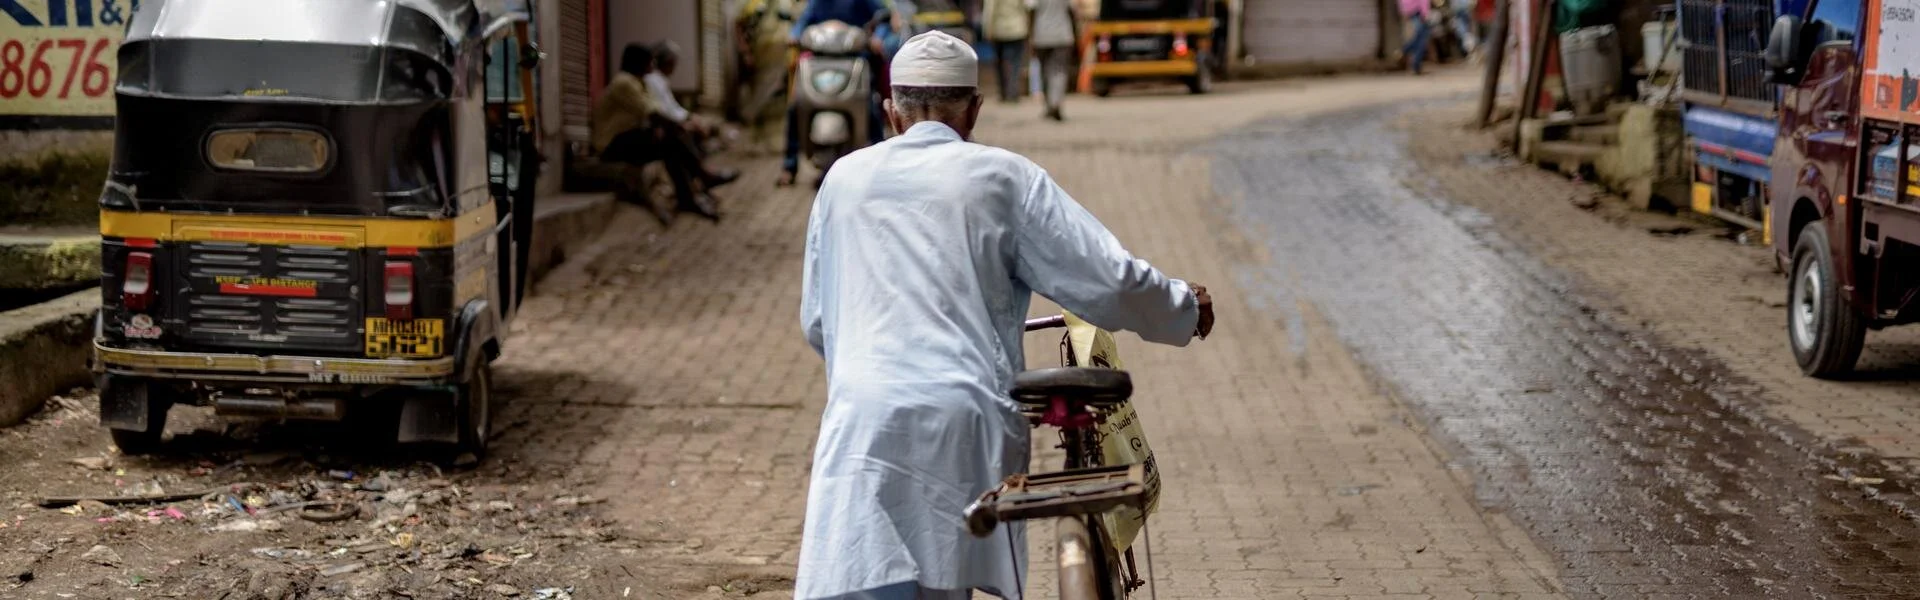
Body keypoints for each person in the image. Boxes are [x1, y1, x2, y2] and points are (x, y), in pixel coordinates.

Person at [796, 31, 1215, 600]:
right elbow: (1108, 280)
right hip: (963, 420)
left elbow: (819, 323)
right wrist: (1183, 308)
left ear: (890, 111)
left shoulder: (840, 181)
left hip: (864, 419)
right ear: (973, 111)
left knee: (866, 572)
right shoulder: (1004, 177)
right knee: (945, 578)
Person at [591, 44, 738, 222]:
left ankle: (691, 193)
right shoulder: (624, 83)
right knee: (673, 137)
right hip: (610, 145)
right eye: (648, 61)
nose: (652, 65)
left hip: (626, 139)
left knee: (672, 143)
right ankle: (699, 182)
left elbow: (657, 111)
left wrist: (672, 127)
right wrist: (679, 126)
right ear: (638, 63)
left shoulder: (639, 82)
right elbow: (652, 112)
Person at [778, 0, 887, 187]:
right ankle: (790, 165)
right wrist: (795, 34)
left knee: (871, 109)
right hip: (820, 59)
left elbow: (883, 17)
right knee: (796, 107)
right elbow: (803, 21)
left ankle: (883, 167)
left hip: (854, 58)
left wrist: (879, 37)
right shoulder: (817, 2)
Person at [647, 41, 718, 146]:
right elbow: (665, 111)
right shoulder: (653, 80)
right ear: (668, 62)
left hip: (671, 121)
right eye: (673, 62)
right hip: (664, 125)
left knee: (708, 126)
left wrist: (691, 117)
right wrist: (688, 121)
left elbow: (673, 107)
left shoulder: (660, 80)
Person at [1027, 0, 1074, 120]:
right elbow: (1071, 10)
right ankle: (1055, 102)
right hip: (1062, 34)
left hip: (1041, 34)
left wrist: (1030, 35)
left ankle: (1050, 105)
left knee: (1045, 71)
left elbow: (1031, 11)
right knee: (1060, 70)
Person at [980, 0, 1029, 102]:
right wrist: (1027, 27)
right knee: (1015, 63)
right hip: (1017, 28)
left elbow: (989, 10)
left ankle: (1003, 92)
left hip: (999, 29)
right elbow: (1025, 7)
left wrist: (987, 30)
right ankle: (1012, 92)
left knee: (1000, 63)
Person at [1398, 0, 1433, 75]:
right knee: (1421, 39)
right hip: (1418, 12)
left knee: (1419, 38)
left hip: (1410, 11)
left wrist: (1403, 11)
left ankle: (1405, 52)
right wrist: (1425, 13)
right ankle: (1414, 63)